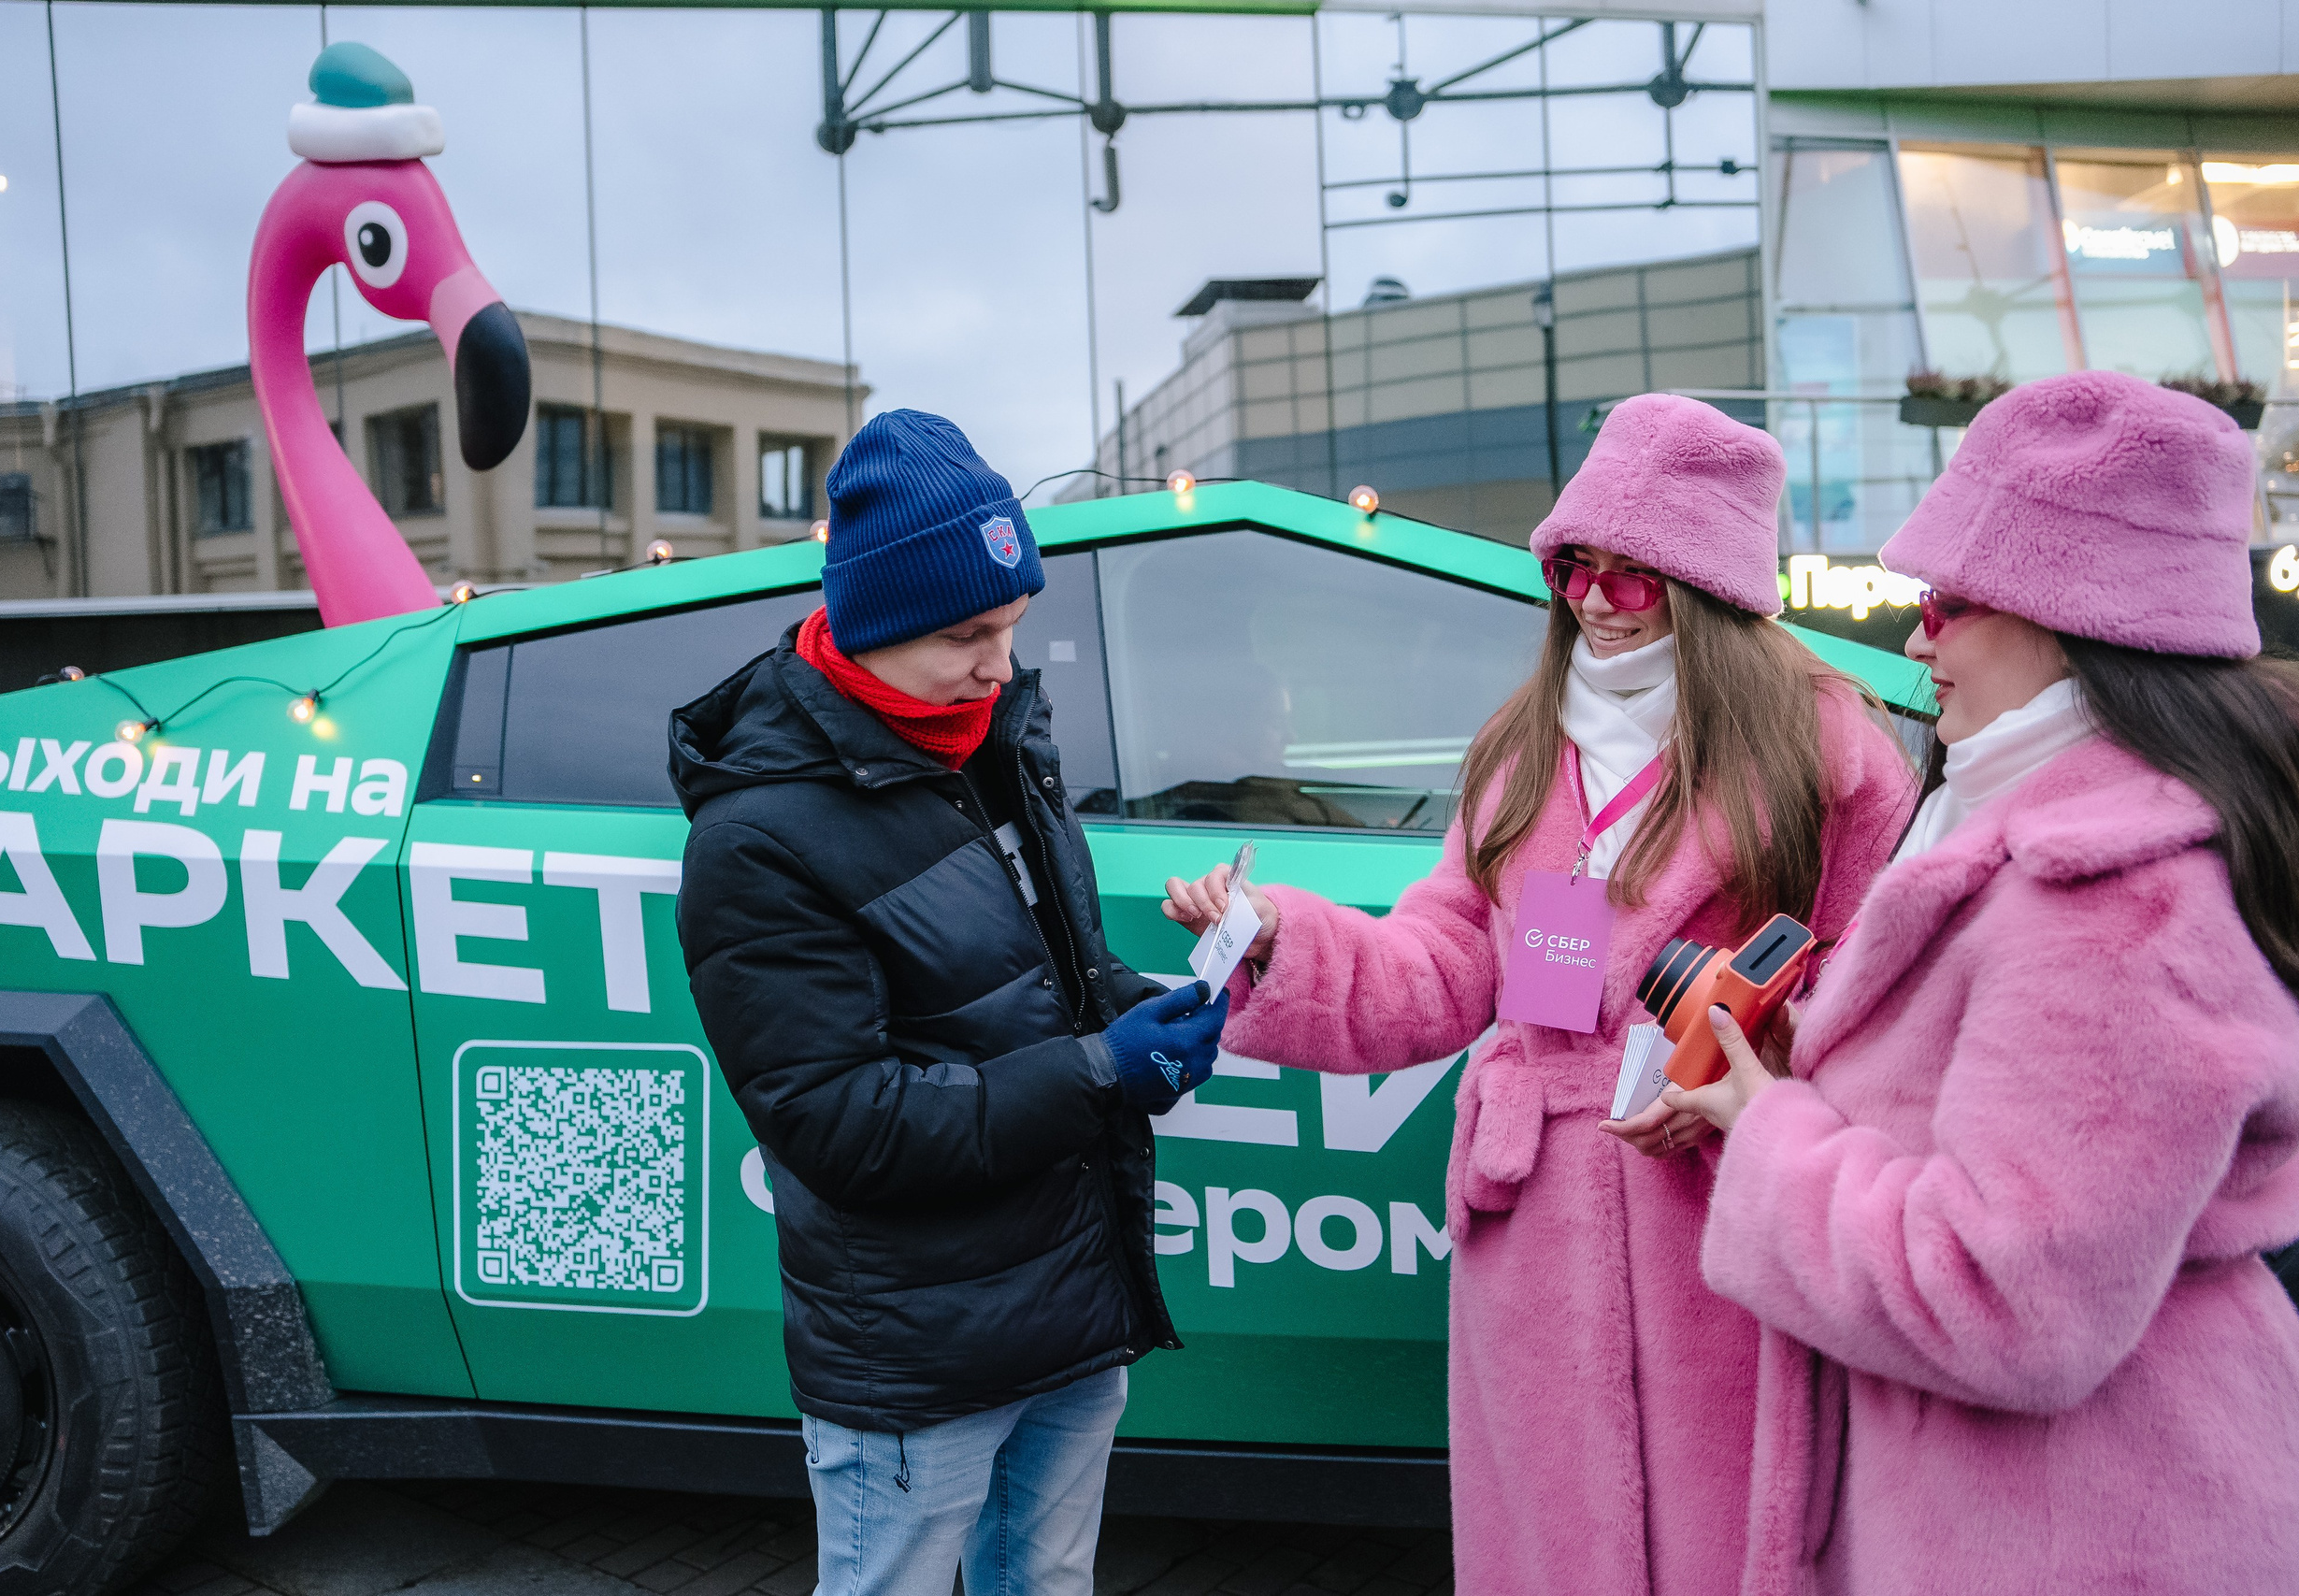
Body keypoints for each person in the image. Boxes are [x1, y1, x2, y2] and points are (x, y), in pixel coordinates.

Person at [1161, 395, 1919, 1596]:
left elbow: (1874, 997)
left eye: (1631, 578)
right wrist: (1273, 937)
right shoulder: (1520, 747)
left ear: (1707, 587)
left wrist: (1744, 1071)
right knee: (1553, 1547)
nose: (1592, 603)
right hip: (1536, 1218)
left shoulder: (1828, 751)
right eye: (1575, 567)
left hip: (1715, 1206)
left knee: (1728, 1538)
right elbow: (1446, 963)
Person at [1664, 371, 2299, 1594]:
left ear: (2060, 609)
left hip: (2072, 1528)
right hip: (2072, 1503)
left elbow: (2007, 1298)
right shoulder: (2073, 844)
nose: (1917, 637)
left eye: (1945, 599)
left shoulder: (2110, 895)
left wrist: (1774, 1131)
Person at [669, 409, 1229, 1596]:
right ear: (869, 628)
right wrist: (1100, 1074)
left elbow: (1030, 980)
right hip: (915, 1356)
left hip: (1069, 1301)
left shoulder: (996, 737)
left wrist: (1141, 1010)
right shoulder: (757, 837)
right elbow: (839, 1122)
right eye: (967, 634)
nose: (1002, 662)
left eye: (1015, 625)